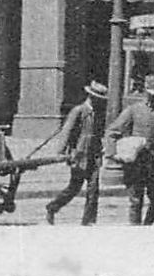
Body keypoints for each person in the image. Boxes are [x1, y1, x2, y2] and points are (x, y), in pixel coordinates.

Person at [105, 74, 154, 226]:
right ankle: (136, 233)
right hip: (136, 164)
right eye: (152, 95)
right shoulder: (133, 110)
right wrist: (113, 154)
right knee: (136, 201)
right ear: (146, 91)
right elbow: (112, 131)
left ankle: (146, 226)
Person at [45, 79, 108, 225]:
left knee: (93, 190)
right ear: (91, 97)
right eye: (97, 99)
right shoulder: (79, 111)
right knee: (74, 188)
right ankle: (52, 207)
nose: (100, 102)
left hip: (94, 156)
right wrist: (61, 151)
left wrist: (101, 148)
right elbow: (67, 131)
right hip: (79, 156)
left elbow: (98, 133)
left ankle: (88, 222)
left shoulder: (98, 113)